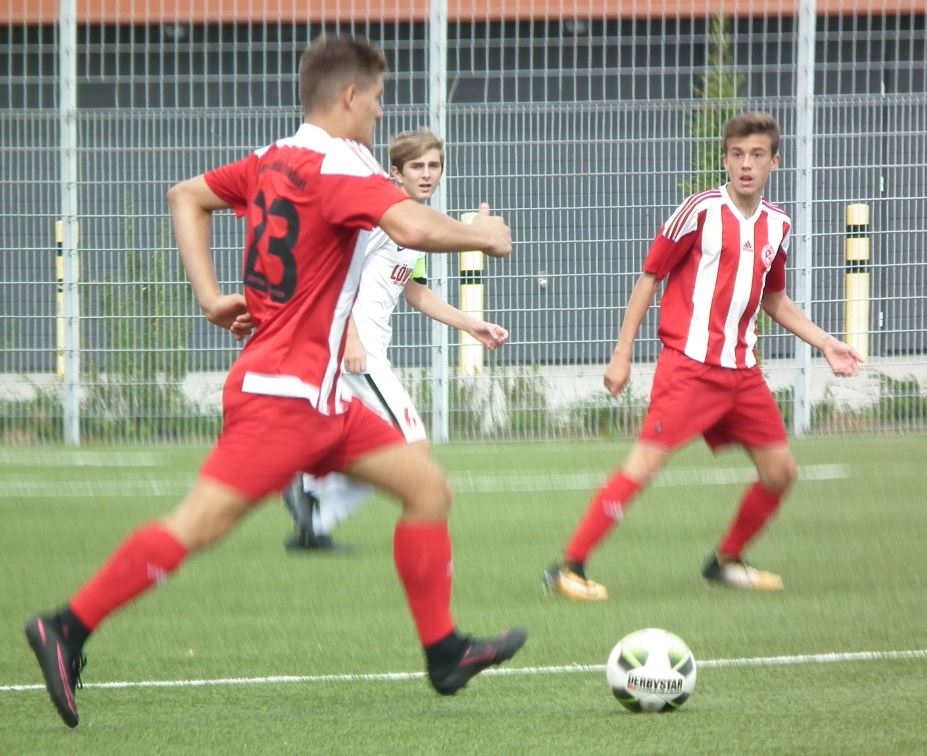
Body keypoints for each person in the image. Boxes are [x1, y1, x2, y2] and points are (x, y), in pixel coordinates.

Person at [24, 35, 526, 729]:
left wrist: (210, 298)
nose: (381, 113)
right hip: (283, 397)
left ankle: (444, 652)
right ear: (349, 96)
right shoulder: (339, 164)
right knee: (198, 525)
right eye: (377, 99)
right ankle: (66, 627)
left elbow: (186, 196)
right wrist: (482, 235)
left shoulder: (272, 158)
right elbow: (409, 227)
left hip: (322, 398)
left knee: (427, 489)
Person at [543, 111, 863, 601]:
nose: (746, 164)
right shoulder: (699, 210)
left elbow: (774, 298)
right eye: (737, 154)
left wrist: (825, 342)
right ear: (725, 160)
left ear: (775, 162)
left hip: (744, 374)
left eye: (757, 155)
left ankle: (726, 562)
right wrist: (622, 354)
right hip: (688, 369)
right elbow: (650, 277)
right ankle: (569, 568)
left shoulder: (778, 224)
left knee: (780, 472)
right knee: (643, 466)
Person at [283, 128, 509, 551]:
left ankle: (314, 501)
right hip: (356, 352)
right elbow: (333, 277)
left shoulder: (411, 222)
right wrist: (351, 337)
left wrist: (470, 324)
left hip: (365, 352)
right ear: (396, 172)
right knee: (412, 447)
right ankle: (313, 483)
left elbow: (415, 292)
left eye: (434, 166)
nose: (427, 174)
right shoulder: (377, 218)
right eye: (416, 166)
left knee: (382, 449)